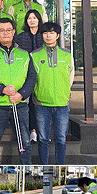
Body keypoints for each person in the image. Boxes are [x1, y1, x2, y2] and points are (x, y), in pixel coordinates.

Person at [0, 18, 36, 165]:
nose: (5, 33)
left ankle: (27, 168)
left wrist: (21, 94)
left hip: (21, 105)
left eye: (8, 30)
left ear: (13, 32)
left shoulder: (25, 54)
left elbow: (32, 77)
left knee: (25, 142)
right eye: (1, 30)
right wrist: (2, 89)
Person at [31, 22, 74, 165]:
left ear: (58, 35)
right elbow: (32, 78)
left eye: (51, 33)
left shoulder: (67, 55)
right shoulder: (34, 55)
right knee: (43, 139)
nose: (48, 36)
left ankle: (60, 165)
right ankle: (44, 165)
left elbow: (71, 74)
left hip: (62, 104)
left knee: (61, 139)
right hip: (42, 103)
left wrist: (66, 92)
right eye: (45, 33)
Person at [15, 9, 44, 144]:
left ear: (39, 19)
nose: (32, 20)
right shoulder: (21, 37)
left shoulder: (44, 35)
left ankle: (42, 131)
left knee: (40, 102)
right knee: (30, 104)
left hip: (42, 73)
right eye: (29, 18)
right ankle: (32, 130)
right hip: (26, 73)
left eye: (34, 18)